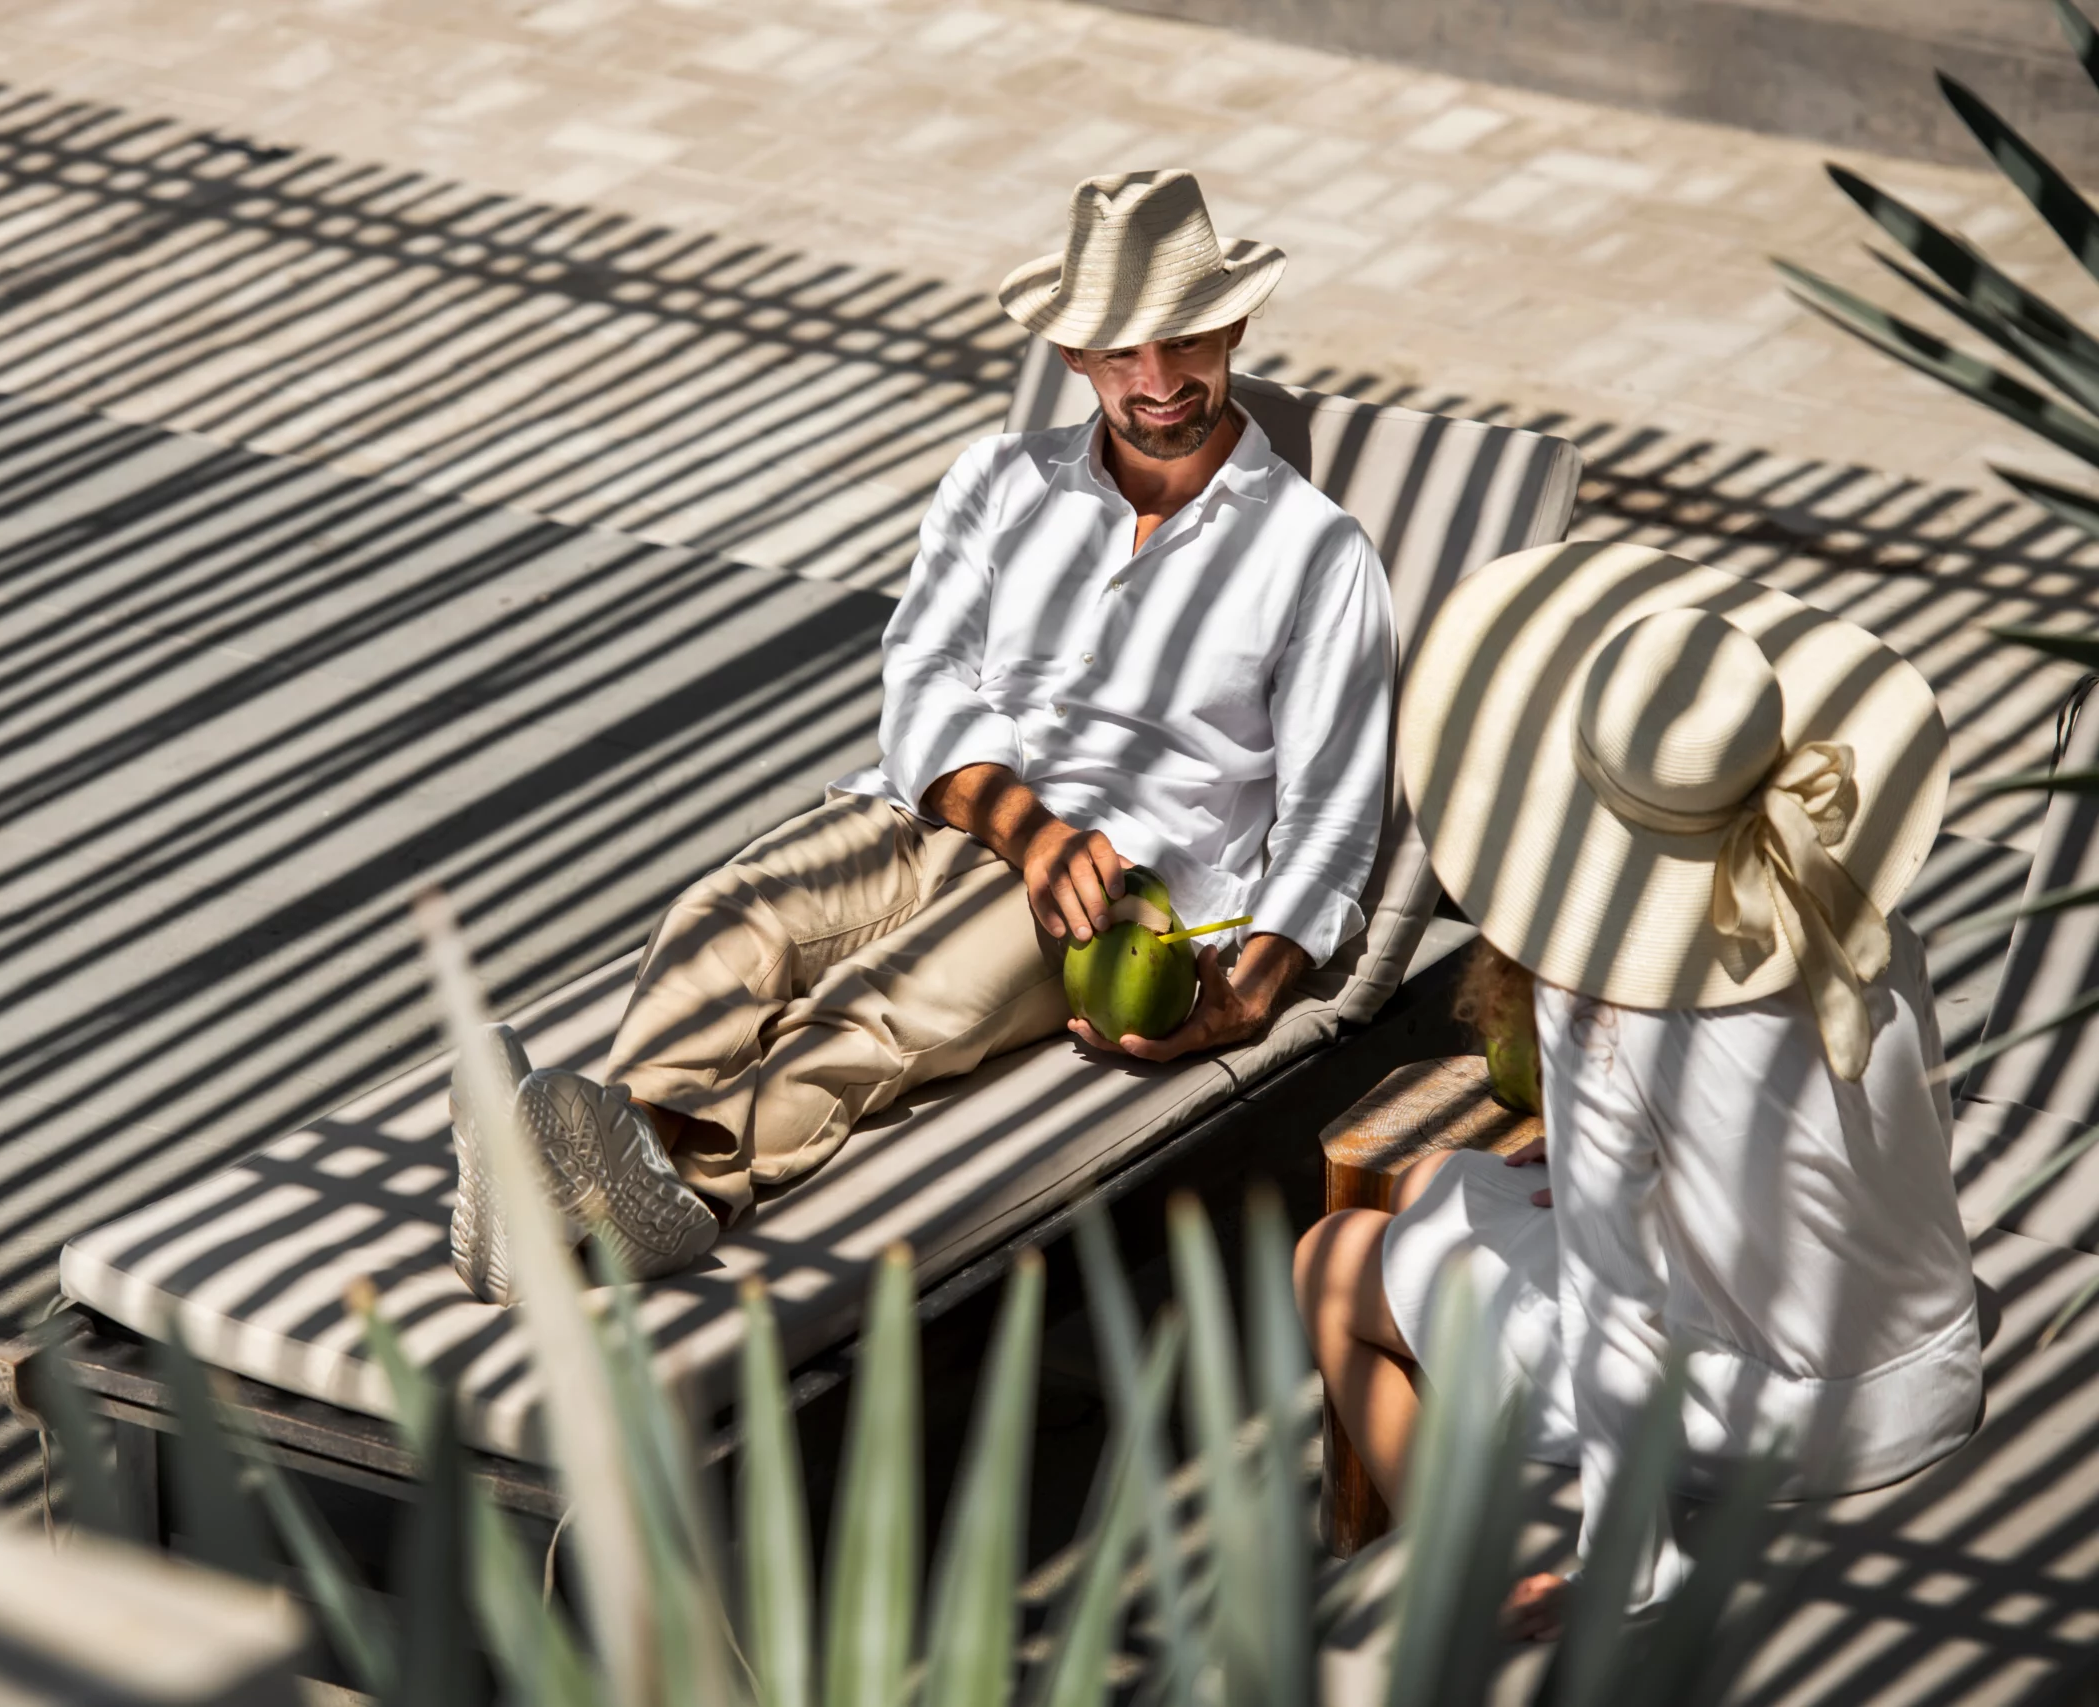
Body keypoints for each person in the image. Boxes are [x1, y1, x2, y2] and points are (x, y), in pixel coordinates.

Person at [445, 168, 1397, 1303]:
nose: (1155, 382)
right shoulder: (999, 483)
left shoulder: (1314, 551)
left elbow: (1337, 810)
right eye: (1119, 352)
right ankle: (598, 1174)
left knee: (886, 1003)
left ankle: (674, 1185)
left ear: (1231, 322)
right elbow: (923, 682)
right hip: (930, 803)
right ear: (1073, 356)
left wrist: (1250, 992)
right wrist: (1022, 826)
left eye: (1183, 339)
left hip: (1113, 880)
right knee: (724, 919)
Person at [1294, 540, 1984, 1633]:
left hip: (1777, 1421)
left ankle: (1457, 1578)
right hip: (1929, 1363)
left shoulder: (1603, 993)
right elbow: (1885, 1123)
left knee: (1331, 1260)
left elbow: (1613, 1299)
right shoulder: (1856, 902)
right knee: (1442, 1177)